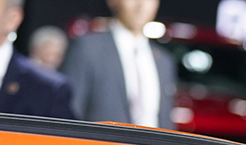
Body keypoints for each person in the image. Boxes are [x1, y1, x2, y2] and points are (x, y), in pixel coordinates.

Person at [59, 0, 176, 128]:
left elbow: (165, 123)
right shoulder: (88, 49)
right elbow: (67, 115)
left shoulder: (164, 61)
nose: (141, 5)